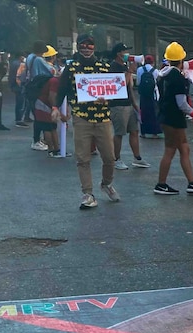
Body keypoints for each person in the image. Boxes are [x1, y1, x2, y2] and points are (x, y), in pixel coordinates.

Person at [52, 33, 120, 210]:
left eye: (90, 45)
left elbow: (116, 91)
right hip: (81, 118)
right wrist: (56, 107)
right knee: (83, 158)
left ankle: (106, 184)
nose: (86, 48)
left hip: (103, 118)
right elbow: (62, 89)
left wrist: (109, 99)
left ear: (94, 47)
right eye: (83, 45)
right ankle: (88, 194)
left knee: (110, 158)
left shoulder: (105, 67)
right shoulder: (72, 67)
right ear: (78, 47)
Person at [153, 42, 193, 196]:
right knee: (171, 150)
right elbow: (182, 103)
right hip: (174, 118)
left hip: (166, 115)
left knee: (183, 148)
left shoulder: (162, 74)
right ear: (181, 60)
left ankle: (191, 182)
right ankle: (162, 184)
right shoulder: (177, 78)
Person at [108, 43, 149, 171]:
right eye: (124, 51)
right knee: (119, 133)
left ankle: (137, 158)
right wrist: (130, 71)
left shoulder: (124, 66)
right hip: (118, 105)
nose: (127, 54)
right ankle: (116, 159)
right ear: (118, 54)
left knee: (134, 131)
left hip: (128, 104)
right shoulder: (113, 67)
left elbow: (129, 86)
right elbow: (119, 86)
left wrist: (135, 104)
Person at [136, 55, 162, 138]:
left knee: (143, 113)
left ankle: (143, 133)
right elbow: (157, 83)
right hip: (152, 95)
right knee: (154, 113)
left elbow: (138, 83)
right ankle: (154, 133)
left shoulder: (140, 70)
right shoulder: (155, 71)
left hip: (143, 95)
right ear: (153, 63)